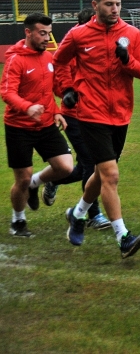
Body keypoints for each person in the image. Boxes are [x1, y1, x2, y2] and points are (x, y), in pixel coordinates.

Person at [53, 0, 140, 258]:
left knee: (101, 173)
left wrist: (126, 61)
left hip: (121, 114)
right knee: (111, 174)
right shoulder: (78, 35)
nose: (115, 9)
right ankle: (123, 236)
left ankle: (78, 213)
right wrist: (67, 90)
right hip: (91, 113)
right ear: (95, 5)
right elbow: (59, 62)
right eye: (109, 4)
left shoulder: (131, 34)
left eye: (118, 4)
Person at [39, 7, 111, 230]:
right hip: (75, 117)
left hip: (97, 115)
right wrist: (67, 94)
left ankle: (53, 180)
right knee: (94, 163)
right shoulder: (68, 52)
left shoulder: (99, 51)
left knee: (85, 167)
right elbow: (58, 84)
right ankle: (93, 214)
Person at [2, 13, 73, 237]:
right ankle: (18, 220)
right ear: (28, 32)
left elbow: (53, 89)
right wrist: (27, 107)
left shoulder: (48, 59)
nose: (46, 38)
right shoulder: (16, 59)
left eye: (49, 34)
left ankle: (35, 183)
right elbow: (7, 92)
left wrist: (59, 110)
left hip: (45, 125)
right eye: (42, 33)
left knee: (65, 167)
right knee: (21, 178)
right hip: (19, 126)